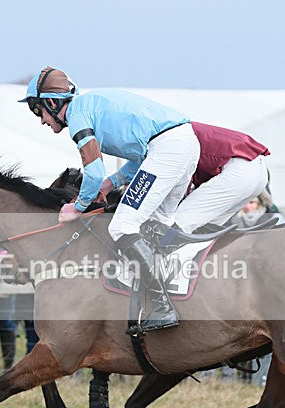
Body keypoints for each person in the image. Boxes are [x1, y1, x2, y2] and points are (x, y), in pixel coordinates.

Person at [22, 66, 200, 332]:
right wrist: (112, 183)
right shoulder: (89, 107)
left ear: (51, 102)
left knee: (121, 226)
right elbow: (138, 158)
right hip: (183, 144)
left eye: (38, 111)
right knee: (155, 225)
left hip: (168, 149)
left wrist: (78, 207)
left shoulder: (78, 114)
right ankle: (175, 295)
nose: (41, 120)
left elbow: (93, 172)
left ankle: (162, 306)